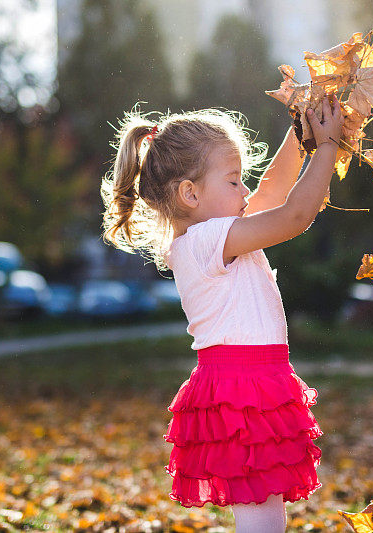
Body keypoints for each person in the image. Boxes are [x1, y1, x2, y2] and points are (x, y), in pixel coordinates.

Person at [100, 96, 344, 533]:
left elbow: (271, 192)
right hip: (242, 390)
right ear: (190, 193)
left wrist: (300, 135)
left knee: (266, 517)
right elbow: (294, 214)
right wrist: (327, 148)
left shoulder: (210, 234)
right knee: (262, 520)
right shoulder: (206, 240)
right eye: (233, 181)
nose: (245, 191)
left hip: (254, 382)